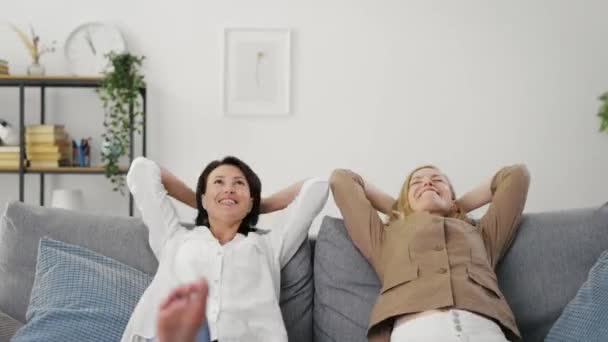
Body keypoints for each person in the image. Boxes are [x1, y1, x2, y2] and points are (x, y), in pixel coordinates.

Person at [121, 156, 329, 342]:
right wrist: (202, 202)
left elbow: (317, 188)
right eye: (218, 182)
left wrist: (257, 205)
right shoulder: (174, 237)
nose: (228, 188)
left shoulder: (268, 246)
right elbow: (142, 169)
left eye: (238, 184)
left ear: (250, 203)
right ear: (203, 198)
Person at [330, 164, 530, 342]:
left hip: (486, 331)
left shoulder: (483, 235)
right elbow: (342, 179)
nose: (427, 182)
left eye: (437, 180)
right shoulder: (384, 237)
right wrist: (398, 208)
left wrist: (458, 206)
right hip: (417, 331)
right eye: (416, 182)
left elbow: (515, 175)